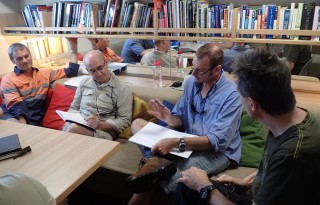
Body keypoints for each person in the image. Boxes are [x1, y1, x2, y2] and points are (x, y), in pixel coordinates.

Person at [174, 48, 320, 205]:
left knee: (194, 186)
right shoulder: (290, 121)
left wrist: (205, 187)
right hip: (257, 195)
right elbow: (276, 175)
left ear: (252, 104)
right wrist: (245, 182)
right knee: (185, 186)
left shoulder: (292, 154)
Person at [127, 43, 242, 205]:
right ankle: (155, 161)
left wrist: (176, 142)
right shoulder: (191, 83)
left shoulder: (232, 94)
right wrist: (168, 118)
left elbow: (217, 140)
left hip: (218, 152)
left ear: (217, 70)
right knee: (137, 124)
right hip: (187, 139)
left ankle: (154, 164)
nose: (193, 74)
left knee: (157, 177)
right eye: (192, 67)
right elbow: (180, 120)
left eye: (199, 71)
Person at [0, 38, 79, 126]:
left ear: (30, 55)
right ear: (13, 61)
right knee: (13, 124)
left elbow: (72, 71)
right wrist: (23, 127)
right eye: (19, 59)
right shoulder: (8, 79)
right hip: (14, 115)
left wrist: (74, 49)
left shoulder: (45, 73)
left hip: (36, 118)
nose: (25, 60)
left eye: (26, 56)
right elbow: (16, 106)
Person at [62, 49, 133, 140]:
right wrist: (78, 121)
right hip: (78, 125)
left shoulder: (122, 88)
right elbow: (74, 108)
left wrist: (101, 125)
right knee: (70, 128)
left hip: (102, 131)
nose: (98, 74)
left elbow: (124, 120)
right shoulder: (84, 83)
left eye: (100, 68)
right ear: (87, 70)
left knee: (73, 130)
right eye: (93, 71)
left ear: (106, 63)